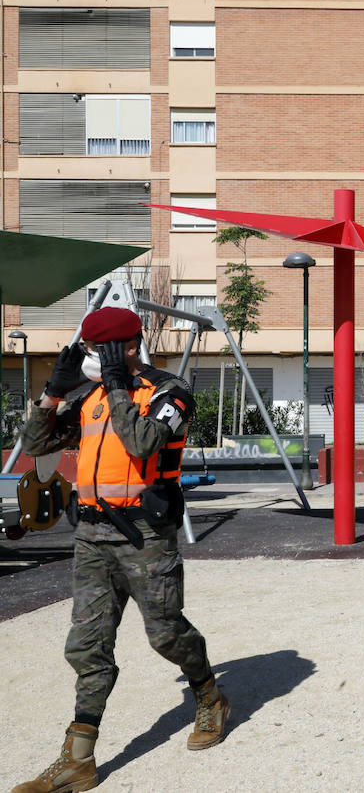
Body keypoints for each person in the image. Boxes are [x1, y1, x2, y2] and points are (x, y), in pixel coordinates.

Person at [13, 307, 227, 793]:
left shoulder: (170, 393)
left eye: (98, 351)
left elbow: (144, 442)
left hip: (144, 537)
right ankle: (78, 761)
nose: (91, 359)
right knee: (86, 646)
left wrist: (116, 383)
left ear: (129, 347)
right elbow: (35, 442)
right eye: (86, 351)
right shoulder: (89, 397)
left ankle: (210, 696)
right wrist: (52, 394)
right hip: (91, 537)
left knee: (166, 635)